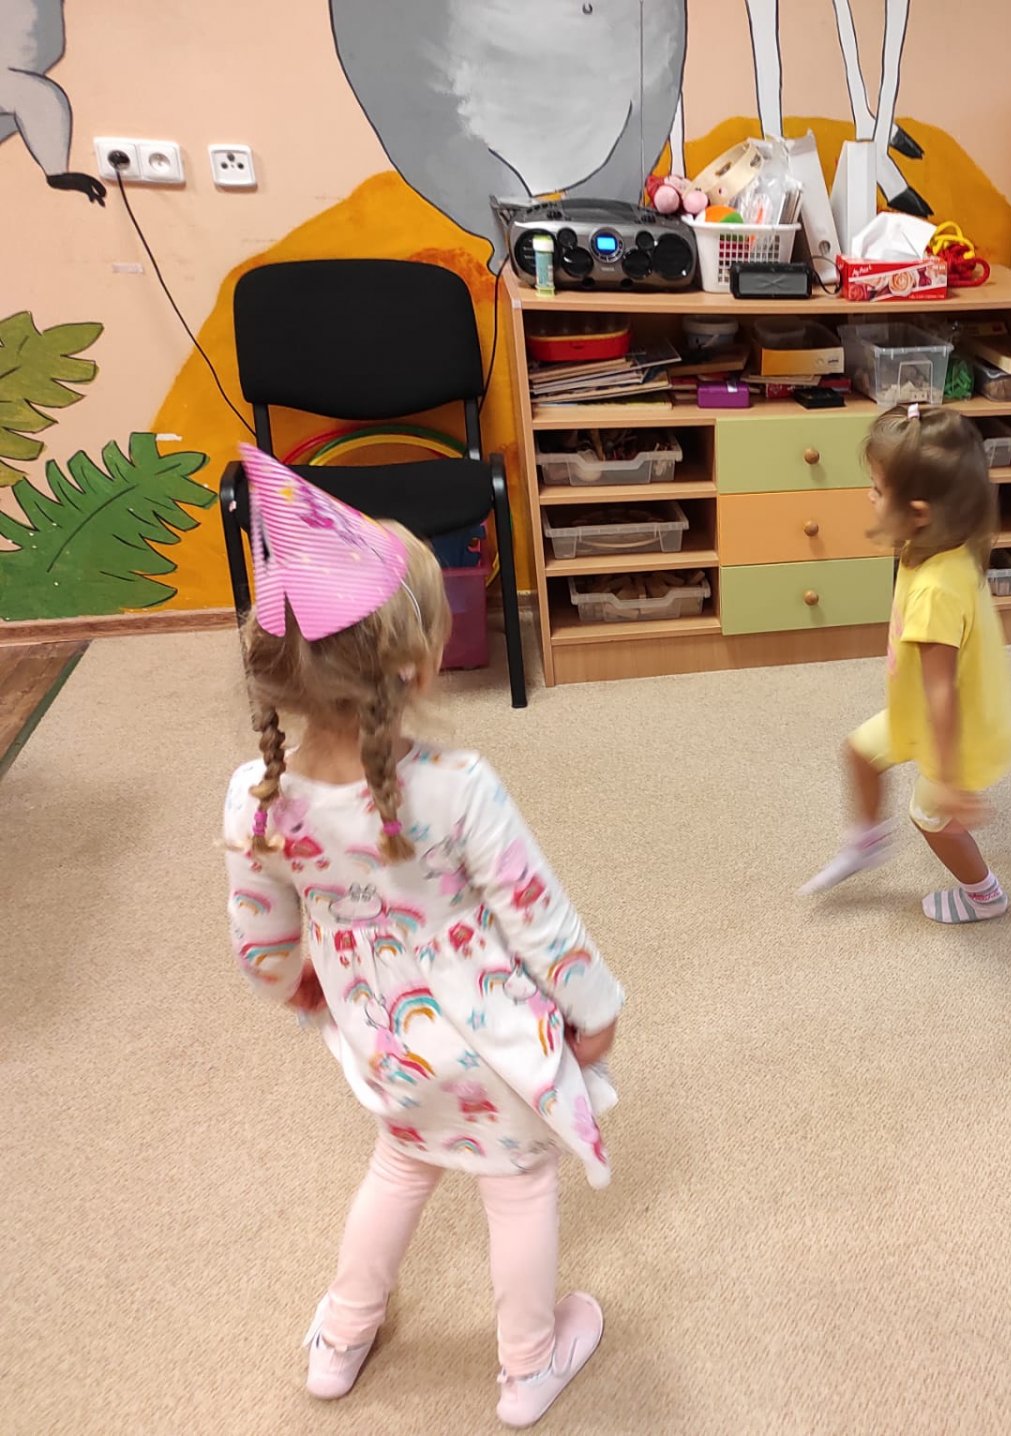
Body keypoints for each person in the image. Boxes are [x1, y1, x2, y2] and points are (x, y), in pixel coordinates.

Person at [221, 449, 622, 1428]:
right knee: (518, 1183)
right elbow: (538, 913)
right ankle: (528, 1365)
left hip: (383, 1038)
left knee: (401, 1164)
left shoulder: (255, 796)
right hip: (492, 1040)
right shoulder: (459, 785)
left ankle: (339, 1338)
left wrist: (302, 985)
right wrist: (594, 1008)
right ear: (423, 661)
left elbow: (261, 945)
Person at [800, 406, 1011, 923]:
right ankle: (867, 841)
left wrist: (948, 781)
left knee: (931, 817)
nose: (869, 497)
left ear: (919, 513)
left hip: (955, 731)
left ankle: (985, 895)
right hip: (915, 710)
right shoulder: (939, 545)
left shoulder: (936, 591)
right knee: (859, 752)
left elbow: (942, 691)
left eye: (877, 489)